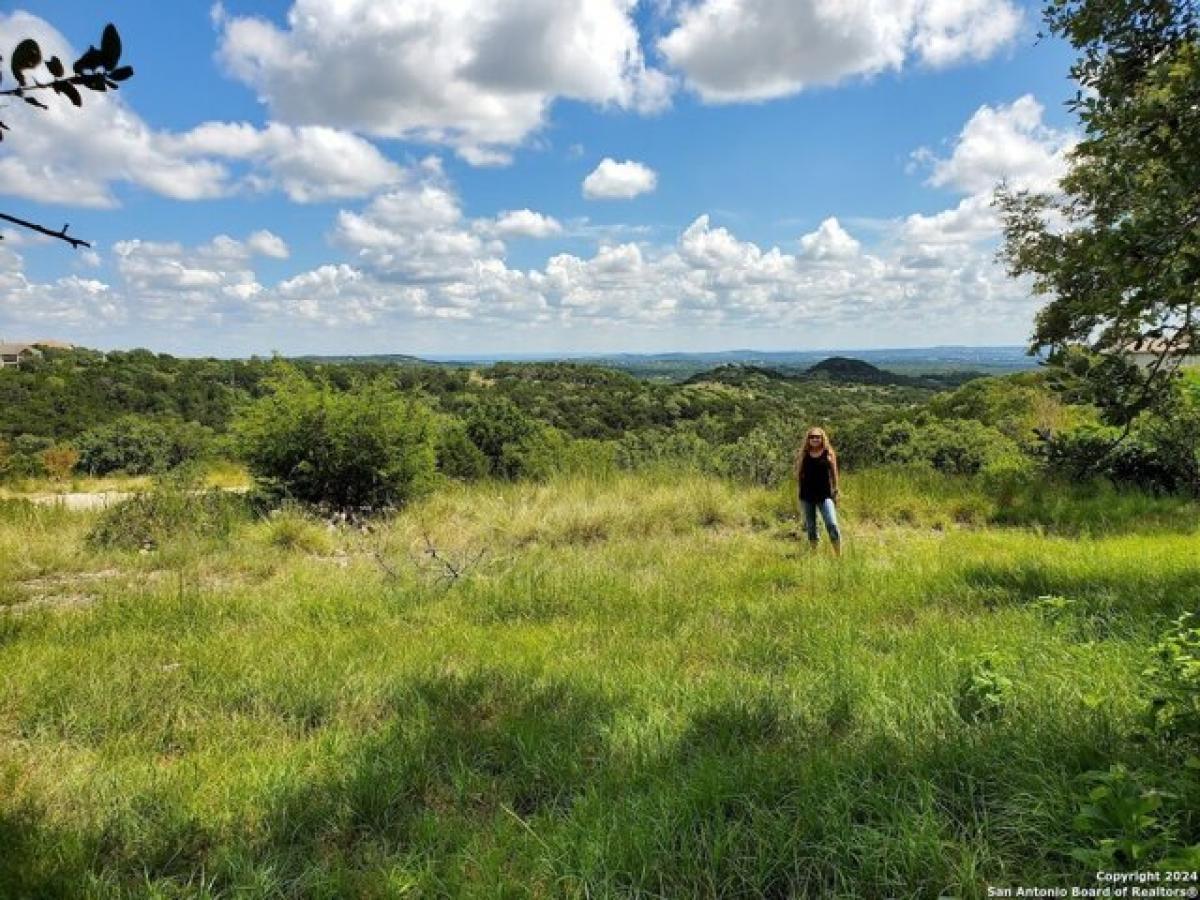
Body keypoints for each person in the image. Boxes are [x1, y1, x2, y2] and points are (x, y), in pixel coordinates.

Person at [794, 427, 842, 554]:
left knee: (832, 523)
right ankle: (814, 553)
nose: (815, 439)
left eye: (817, 437)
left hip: (825, 495)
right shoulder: (804, 454)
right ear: (808, 439)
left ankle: (838, 555)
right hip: (807, 495)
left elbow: (834, 474)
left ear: (822, 438)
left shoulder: (828, 453)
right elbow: (799, 474)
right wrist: (799, 493)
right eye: (812, 437)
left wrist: (836, 490)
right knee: (811, 527)